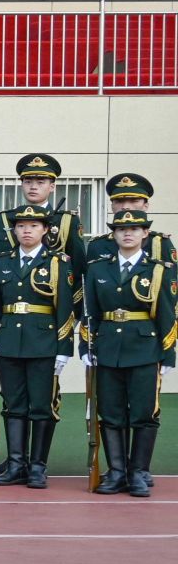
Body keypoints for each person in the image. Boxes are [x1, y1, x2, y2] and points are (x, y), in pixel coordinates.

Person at [0, 205, 77, 489]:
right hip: (10, 341)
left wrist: (64, 348)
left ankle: (37, 466)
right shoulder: (3, 262)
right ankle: (16, 464)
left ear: (45, 230)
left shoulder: (58, 262)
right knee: (14, 405)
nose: (26, 231)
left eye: (34, 226)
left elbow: (65, 308)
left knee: (42, 406)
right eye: (21, 226)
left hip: (43, 343)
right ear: (14, 230)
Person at [83, 210, 174, 497]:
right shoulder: (98, 269)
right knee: (111, 413)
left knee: (144, 413)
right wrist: (86, 346)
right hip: (108, 346)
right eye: (121, 229)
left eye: (134, 229)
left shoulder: (158, 270)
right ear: (114, 234)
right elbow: (90, 312)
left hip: (145, 347)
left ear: (145, 233)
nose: (127, 233)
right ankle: (117, 472)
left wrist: (168, 353)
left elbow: (168, 314)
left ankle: (138, 473)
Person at [0, 153, 86, 271]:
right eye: (28, 182)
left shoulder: (66, 221)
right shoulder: (4, 219)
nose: (33, 187)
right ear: (22, 185)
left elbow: (79, 266)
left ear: (52, 187)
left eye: (40, 182)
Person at [87, 174, 174, 267]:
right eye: (119, 201)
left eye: (134, 201)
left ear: (146, 206)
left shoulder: (159, 243)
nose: (125, 207)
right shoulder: (97, 244)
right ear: (112, 206)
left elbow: (169, 274)